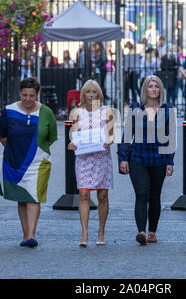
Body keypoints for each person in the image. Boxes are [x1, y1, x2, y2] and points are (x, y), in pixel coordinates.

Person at [0, 77, 57, 248]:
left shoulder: (46, 112)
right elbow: (1, 134)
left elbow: (51, 138)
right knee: (21, 198)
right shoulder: (9, 111)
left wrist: (36, 150)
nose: (28, 99)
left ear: (37, 94)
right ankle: (25, 234)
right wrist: (14, 149)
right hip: (14, 161)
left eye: (31, 95)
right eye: (24, 95)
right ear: (19, 93)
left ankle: (31, 235)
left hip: (39, 162)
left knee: (33, 196)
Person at [119, 75, 175, 245]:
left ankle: (152, 232)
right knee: (142, 193)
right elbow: (127, 134)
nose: (154, 89)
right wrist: (123, 158)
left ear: (160, 90)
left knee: (155, 196)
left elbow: (170, 138)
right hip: (138, 157)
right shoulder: (136, 108)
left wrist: (170, 161)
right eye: (150, 86)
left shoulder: (167, 110)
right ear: (145, 89)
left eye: (156, 86)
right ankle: (141, 231)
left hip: (159, 158)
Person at [68, 80, 114, 247]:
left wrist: (109, 141)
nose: (91, 95)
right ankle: (84, 233)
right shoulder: (77, 113)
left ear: (99, 94)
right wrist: (71, 143)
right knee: (84, 194)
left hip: (101, 157)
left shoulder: (106, 111)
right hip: (84, 158)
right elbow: (74, 135)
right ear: (83, 94)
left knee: (102, 195)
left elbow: (111, 134)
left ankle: (101, 231)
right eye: (88, 92)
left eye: (95, 92)